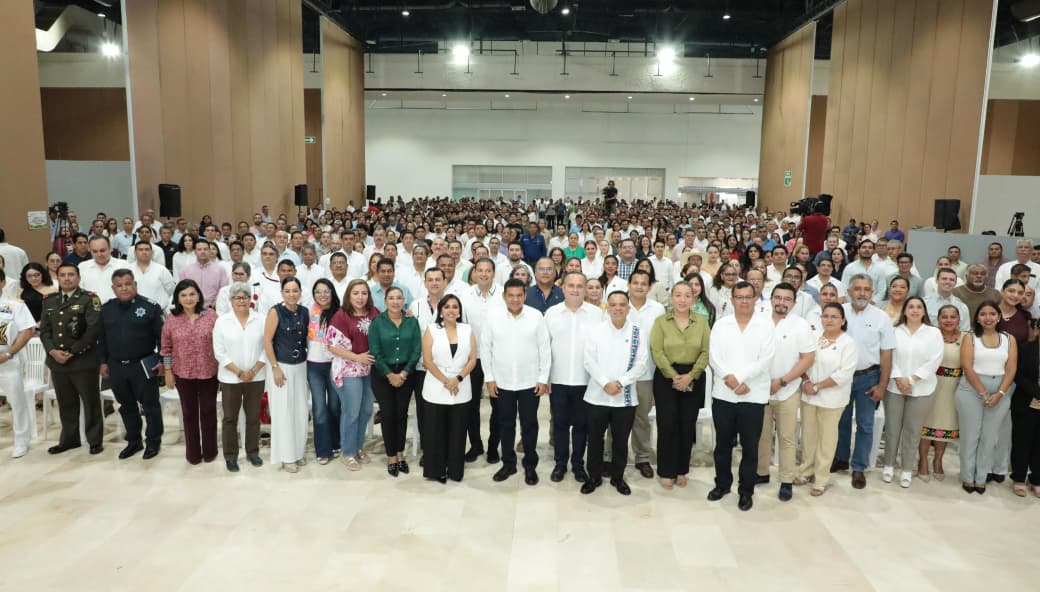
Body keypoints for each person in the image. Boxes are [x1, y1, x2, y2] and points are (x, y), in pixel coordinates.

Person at [707, 281, 776, 511]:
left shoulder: (765, 326)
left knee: (750, 447)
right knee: (722, 445)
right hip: (724, 395)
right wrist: (731, 379)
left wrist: (739, 379)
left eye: (748, 297)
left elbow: (765, 360)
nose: (744, 301)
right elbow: (714, 357)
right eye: (739, 297)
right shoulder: (721, 325)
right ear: (732, 299)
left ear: (755, 299)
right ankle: (722, 484)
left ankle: (746, 491)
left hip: (753, 396)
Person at [482, 278, 551, 485]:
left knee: (529, 425)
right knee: (506, 424)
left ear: (525, 296)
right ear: (504, 296)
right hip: (502, 382)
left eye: (519, 295)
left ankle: (530, 465)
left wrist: (543, 378)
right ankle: (508, 463)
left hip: (530, 382)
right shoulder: (493, 317)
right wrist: (489, 378)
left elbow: (544, 349)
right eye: (510, 295)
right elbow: (486, 349)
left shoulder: (536, 316)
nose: (515, 299)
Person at [581, 290, 649, 496]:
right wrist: (605, 383)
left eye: (622, 305)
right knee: (595, 440)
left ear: (628, 308)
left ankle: (618, 477)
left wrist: (620, 383)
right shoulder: (596, 331)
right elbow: (589, 361)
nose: (618, 308)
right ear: (607, 308)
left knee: (620, 441)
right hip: (597, 396)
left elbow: (641, 364)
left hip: (624, 398)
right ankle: (593, 476)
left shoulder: (637, 332)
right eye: (613, 305)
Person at [834, 274, 896, 489]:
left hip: (869, 377)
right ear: (849, 291)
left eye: (867, 289)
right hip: (841, 378)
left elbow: (887, 353)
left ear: (872, 293)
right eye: (858, 288)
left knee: (865, 424)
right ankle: (840, 458)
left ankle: (859, 466)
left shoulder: (881, 318)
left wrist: (882, 385)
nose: (862, 293)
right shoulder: (839, 313)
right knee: (840, 421)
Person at [756, 282, 816, 501]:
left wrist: (782, 381)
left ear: (794, 302)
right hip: (759, 389)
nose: (782, 302)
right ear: (771, 299)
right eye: (778, 298)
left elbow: (807, 358)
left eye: (787, 299)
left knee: (787, 437)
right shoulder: (758, 320)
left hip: (788, 389)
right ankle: (761, 472)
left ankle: (786, 480)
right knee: (760, 435)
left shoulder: (800, 325)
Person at [98, 270, 165, 460]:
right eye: (119, 285)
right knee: (126, 405)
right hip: (116, 366)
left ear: (135, 285)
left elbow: (163, 338)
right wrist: (102, 362)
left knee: (150, 406)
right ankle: (134, 441)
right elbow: (101, 339)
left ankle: (153, 442)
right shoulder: (106, 309)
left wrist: (161, 360)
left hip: (143, 364)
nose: (124, 288)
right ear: (113, 288)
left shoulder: (150, 307)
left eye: (128, 284)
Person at [649, 281, 710, 490]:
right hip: (666, 377)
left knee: (686, 425)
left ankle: (681, 470)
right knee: (667, 424)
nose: (682, 300)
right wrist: (674, 376)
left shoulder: (701, 322)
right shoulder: (661, 322)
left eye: (687, 295)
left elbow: (706, 352)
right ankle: (666, 471)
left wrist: (691, 376)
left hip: (693, 376)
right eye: (678, 295)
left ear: (693, 299)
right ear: (671, 298)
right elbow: (657, 351)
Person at [40, 263, 105, 456]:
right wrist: (52, 351)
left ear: (78, 277)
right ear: (57, 278)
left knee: (90, 402)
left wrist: (72, 351)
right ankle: (69, 440)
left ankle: (94, 441)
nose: (67, 278)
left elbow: (93, 329)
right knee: (66, 403)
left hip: (82, 361)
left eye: (71, 274)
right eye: (63, 275)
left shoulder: (89, 299)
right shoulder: (49, 300)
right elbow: (44, 331)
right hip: (57, 362)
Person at [544, 271, 601, 483]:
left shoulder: (597, 314)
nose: (575, 290)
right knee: (559, 424)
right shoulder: (551, 313)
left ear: (585, 289)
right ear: (563, 288)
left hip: (586, 381)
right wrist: (545, 376)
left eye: (579, 286)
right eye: (571, 285)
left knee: (581, 426)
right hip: (558, 379)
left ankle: (578, 464)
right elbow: (544, 347)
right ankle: (560, 463)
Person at [797, 303, 859, 496]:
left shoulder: (848, 343)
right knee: (808, 436)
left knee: (827, 439)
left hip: (832, 398)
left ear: (843, 320)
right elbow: (802, 361)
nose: (829, 320)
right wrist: (806, 381)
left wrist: (818, 386)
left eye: (834, 317)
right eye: (825, 316)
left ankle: (821, 478)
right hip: (809, 395)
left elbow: (844, 374)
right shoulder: (814, 337)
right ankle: (806, 471)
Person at [881, 296, 943, 488]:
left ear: (924, 311)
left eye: (919, 307)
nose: (915, 310)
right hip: (895, 387)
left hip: (922, 388)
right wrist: (899, 378)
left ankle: (907, 468)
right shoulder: (894, 330)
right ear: (905, 311)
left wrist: (911, 380)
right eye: (911, 307)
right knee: (892, 429)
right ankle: (889, 465)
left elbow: (934, 360)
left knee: (913, 431)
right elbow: (888, 356)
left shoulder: (933, 333)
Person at [957, 301, 1017, 494]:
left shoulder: (1009, 339)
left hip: (1000, 389)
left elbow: (1011, 369)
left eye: (992, 314)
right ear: (977, 318)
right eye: (983, 314)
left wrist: (1000, 393)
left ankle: (981, 477)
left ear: (999, 317)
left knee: (989, 437)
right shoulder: (970, 337)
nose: (988, 317)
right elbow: (967, 367)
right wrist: (983, 393)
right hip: (971, 389)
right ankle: (968, 476)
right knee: (970, 435)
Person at [420, 294, 477, 483]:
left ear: (459, 311)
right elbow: (427, 360)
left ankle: (455, 470)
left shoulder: (467, 329)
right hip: (436, 386)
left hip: (461, 387)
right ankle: (436, 471)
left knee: (457, 432)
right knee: (435, 432)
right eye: (447, 307)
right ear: (441, 311)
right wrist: (447, 381)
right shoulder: (431, 330)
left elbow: (472, 359)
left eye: (455, 307)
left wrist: (457, 379)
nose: (451, 310)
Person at [212, 282, 267, 472]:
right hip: (230, 378)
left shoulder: (261, 319)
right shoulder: (222, 321)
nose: (241, 301)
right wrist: (239, 372)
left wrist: (253, 371)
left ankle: (252, 452)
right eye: (237, 297)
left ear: (250, 299)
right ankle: (230, 456)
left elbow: (267, 347)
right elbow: (219, 352)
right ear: (231, 300)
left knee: (253, 417)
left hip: (256, 377)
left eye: (244, 297)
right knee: (230, 418)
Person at [327, 279, 380, 470]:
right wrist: (357, 357)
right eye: (356, 293)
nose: (360, 297)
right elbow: (332, 346)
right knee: (351, 412)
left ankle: (357, 447)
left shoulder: (374, 313)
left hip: (367, 370)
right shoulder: (341, 316)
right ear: (349, 295)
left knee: (366, 411)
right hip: (348, 370)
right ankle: (347, 452)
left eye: (364, 293)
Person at [369, 286, 421, 477]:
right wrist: (390, 375)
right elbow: (375, 351)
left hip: (406, 374)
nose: (395, 301)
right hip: (382, 374)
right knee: (388, 414)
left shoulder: (411, 322)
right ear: (385, 301)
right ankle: (391, 456)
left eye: (399, 298)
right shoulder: (377, 322)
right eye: (391, 298)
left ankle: (400, 454)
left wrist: (405, 372)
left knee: (401, 414)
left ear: (403, 301)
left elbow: (417, 349)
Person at [994, 279, 1040, 496]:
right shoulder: (990, 311)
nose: (1015, 295)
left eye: (1019, 292)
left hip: (1017, 382)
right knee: (1017, 435)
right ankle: (1011, 474)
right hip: (1000, 378)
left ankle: (1028, 476)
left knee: (1017, 433)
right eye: (1011, 290)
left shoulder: (1025, 316)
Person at [261, 276, 309, 473]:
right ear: (282, 293)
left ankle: (297, 452)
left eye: (295, 290)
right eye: (287, 291)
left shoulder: (304, 312)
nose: (291, 294)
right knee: (284, 412)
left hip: (301, 367)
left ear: (300, 292)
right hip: (281, 367)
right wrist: (275, 367)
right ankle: (287, 456)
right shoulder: (275, 311)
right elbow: (267, 341)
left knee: (300, 411)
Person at [623, 269, 666, 479]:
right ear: (629, 285)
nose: (639, 287)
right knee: (617, 417)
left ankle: (642, 458)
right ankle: (610, 455)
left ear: (649, 287)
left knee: (642, 418)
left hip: (647, 373)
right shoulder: (619, 304)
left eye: (644, 283)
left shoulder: (657, 309)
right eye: (636, 283)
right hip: (620, 374)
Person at [917, 305, 964, 482]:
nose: (949, 320)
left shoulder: (966, 338)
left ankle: (938, 460)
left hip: (952, 387)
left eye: (953, 317)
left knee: (945, 424)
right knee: (926, 423)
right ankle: (922, 460)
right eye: (944, 317)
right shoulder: (931, 335)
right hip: (930, 384)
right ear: (938, 319)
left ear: (959, 319)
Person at [0, 270, 36, 458]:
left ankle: (22, 439)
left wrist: (9, 353)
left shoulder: (14, 305)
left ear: (2, 282)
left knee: (16, 401)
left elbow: (27, 330)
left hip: (7, 361)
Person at [307, 279, 342, 465]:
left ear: (332, 292)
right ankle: (322, 449)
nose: (322, 295)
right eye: (318, 291)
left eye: (326, 291)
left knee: (335, 407)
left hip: (334, 365)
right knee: (319, 408)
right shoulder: (308, 310)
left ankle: (336, 442)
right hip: (314, 366)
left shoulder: (340, 313)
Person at [78, 236, 131, 303]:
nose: (99, 254)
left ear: (110, 248)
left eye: (102, 250)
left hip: (119, 306)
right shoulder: (82, 267)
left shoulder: (124, 265)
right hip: (90, 307)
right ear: (90, 251)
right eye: (95, 251)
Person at [179, 238, 229, 308]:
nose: (203, 252)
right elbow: (182, 292)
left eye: (205, 249)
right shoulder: (186, 271)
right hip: (192, 308)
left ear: (209, 251)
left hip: (215, 307)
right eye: (199, 249)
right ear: (194, 251)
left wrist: (214, 304)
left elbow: (224, 291)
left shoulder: (220, 270)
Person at [130, 241, 176, 311]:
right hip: (133, 310)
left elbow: (172, 291)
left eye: (147, 249)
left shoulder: (161, 270)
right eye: (140, 250)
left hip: (158, 311)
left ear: (152, 253)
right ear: (135, 253)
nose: (144, 252)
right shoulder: (128, 269)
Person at [924, 268, 970, 332]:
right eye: (944, 279)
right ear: (937, 280)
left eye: (951, 280)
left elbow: (965, 332)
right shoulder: (924, 303)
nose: (948, 282)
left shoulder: (962, 307)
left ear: (955, 283)